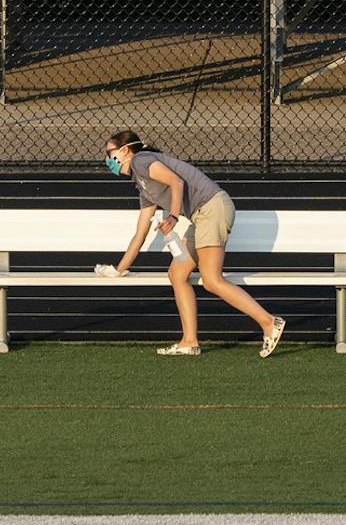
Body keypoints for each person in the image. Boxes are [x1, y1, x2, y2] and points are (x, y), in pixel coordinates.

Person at [98, 130, 284, 357]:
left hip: (211, 209)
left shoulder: (141, 160)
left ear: (125, 150)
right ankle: (189, 341)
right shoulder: (143, 185)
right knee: (177, 273)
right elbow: (140, 234)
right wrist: (118, 269)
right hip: (202, 215)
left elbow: (176, 182)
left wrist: (173, 217)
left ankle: (268, 322)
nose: (107, 159)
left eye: (110, 153)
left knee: (212, 280)